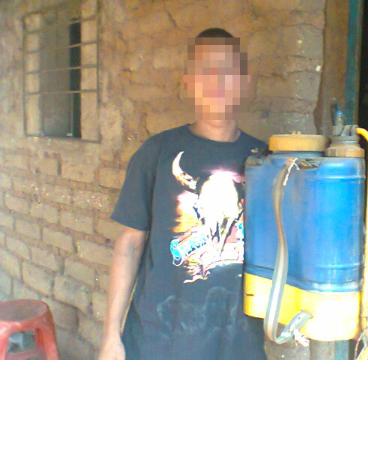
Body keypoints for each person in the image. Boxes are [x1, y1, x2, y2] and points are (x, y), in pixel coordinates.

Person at [98, 28, 267, 359]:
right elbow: (129, 244)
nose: (217, 82)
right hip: (161, 336)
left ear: (245, 82)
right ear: (188, 82)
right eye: (206, 71)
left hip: (238, 341)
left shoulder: (265, 160)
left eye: (228, 71)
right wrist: (110, 335)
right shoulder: (157, 153)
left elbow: (288, 245)